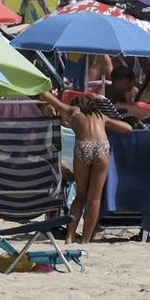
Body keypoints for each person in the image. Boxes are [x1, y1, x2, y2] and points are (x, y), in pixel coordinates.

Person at [40, 91, 132, 244]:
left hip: (84, 146)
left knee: (81, 196)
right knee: (95, 199)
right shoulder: (102, 117)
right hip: (102, 147)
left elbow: (50, 99)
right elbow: (128, 128)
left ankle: (70, 236)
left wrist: (41, 88)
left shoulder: (74, 112)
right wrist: (106, 125)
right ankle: (85, 240)